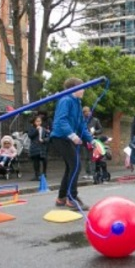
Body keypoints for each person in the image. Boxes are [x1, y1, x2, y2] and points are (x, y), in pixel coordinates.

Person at [50, 78, 96, 211]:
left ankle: (62, 197)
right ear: (74, 88)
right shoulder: (66, 100)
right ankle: (72, 198)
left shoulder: (77, 103)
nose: (84, 89)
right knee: (76, 165)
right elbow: (61, 120)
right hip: (60, 137)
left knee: (71, 167)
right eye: (82, 87)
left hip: (67, 138)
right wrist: (73, 135)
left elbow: (81, 125)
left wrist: (91, 140)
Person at [82, 106, 103, 180]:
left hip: (92, 140)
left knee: (92, 158)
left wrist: (94, 132)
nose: (87, 113)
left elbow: (100, 129)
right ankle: (87, 173)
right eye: (85, 112)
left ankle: (92, 173)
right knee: (86, 158)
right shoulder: (83, 120)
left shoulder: (95, 120)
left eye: (88, 111)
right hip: (84, 142)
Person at [27, 115, 49, 181]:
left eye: (39, 121)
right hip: (35, 147)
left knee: (44, 160)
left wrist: (44, 140)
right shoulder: (31, 128)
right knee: (36, 161)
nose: (38, 123)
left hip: (42, 147)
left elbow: (48, 137)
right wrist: (36, 131)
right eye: (37, 121)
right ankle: (37, 175)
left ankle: (44, 173)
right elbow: (30, 136)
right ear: (34, 122)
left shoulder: (44, 129)